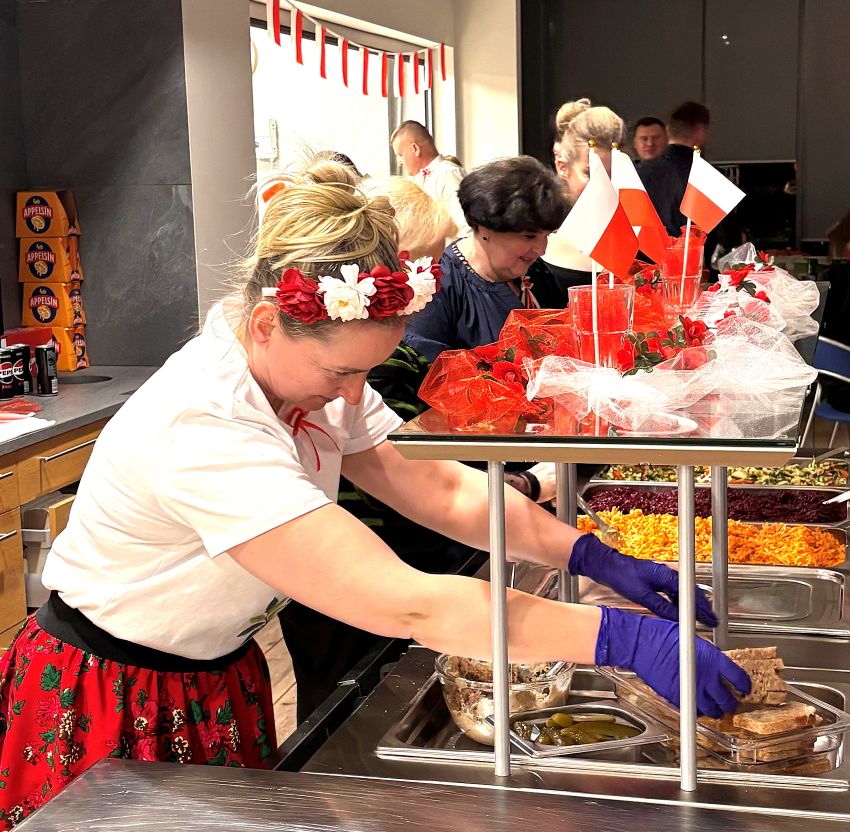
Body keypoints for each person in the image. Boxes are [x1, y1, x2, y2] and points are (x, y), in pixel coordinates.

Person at [0, 171, 748, 827]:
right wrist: (619, 638)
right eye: (340, 375)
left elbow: (437, 485)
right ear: (265, 324)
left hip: (217, 669)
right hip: (115, 687)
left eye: (367, 372)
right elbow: (403, 601)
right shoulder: (205, 425)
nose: (353, 397)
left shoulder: (309, 374)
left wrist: (586, 554)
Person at [403, 155, 571, 362]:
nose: (541, 249)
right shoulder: (439, 285)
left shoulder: (537, 271)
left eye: (547, 236)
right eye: (529, 236)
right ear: (484, 227)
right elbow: (427, 368)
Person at [544, 98, 626, 290]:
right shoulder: (539, 227)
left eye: (614, 174)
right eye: (591, 173)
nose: (605, 184)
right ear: (562, 168)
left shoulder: (628, 227)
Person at [638, 101, 711, 236]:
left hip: (644, 248)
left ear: (667, 130)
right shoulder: (709, 179)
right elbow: (729, 238)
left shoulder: (636, 174)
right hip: (692, 248)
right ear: (700, 132)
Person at [390, 120, 469, 238]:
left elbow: (466, 228)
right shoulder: (412, 183)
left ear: (415, 149)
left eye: (400, 155)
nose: (399, 163)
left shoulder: (449, 175)